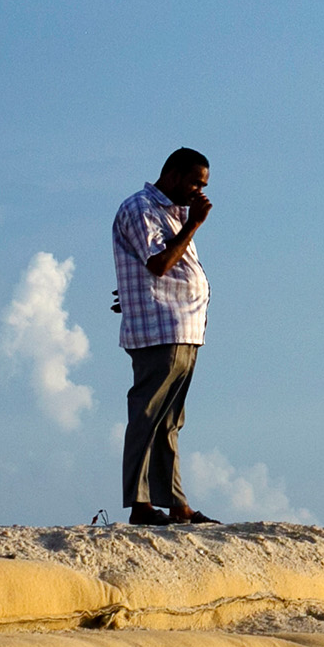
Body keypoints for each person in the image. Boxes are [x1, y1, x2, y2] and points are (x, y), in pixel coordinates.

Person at [113, 148, 215, 527]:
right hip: (160, 328)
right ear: (170, 174)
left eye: (202, 185)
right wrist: (194, 225)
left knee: (169, 421)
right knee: (148, 415)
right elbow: (158, 263)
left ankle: (175, 503)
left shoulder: (172, 213)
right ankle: (140, 506)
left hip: (185, 327)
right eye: (193, 182)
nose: (196, 191)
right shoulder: (141, 208)